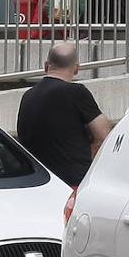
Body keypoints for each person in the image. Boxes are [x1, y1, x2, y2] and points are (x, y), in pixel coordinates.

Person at [16, 43, 113, 187]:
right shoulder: (77, 93)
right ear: (76, 69)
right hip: (72, 183)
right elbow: (104, 134)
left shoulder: (27, 96)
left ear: (46, 66)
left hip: (37, 182)